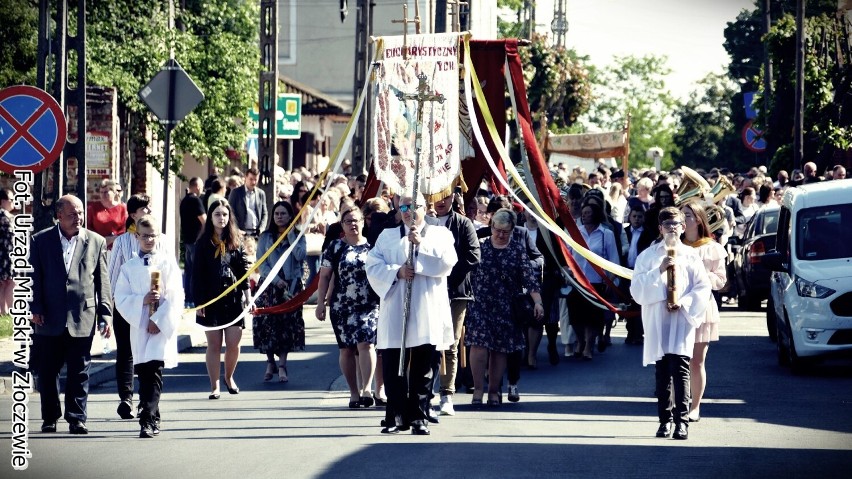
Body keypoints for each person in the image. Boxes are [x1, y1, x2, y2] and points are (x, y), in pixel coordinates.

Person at [365, 193, 457, 435]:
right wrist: (397, 272)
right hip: (396, 308)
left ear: (424, 207)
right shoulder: (387, 236)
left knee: (424, 365)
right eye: (403, 206)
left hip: (427, 307)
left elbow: (448, 262)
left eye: (413, 206)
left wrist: (420, 246)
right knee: (394, 364)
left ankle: (418, 416)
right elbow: (372, 265)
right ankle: (396, 416)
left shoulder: (440, 234)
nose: (408, 211)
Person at [30, 195, 112, 434]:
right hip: (48, 317)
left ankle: (77, 418)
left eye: (80, 213)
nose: (78, 218)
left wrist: (106, 314)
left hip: (82, 315)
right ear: (58, 215)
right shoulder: (40, 240)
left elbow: (102, 281)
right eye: (72, 214)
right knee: (48, 371)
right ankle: (50, 417)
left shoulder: (95, 241)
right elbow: (34, 279)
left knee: (80, 370)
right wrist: (35, 308)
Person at [630, 207, 711, 441]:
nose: (672, 228)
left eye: (676, 224)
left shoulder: (691, 255)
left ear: (683, 227)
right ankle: (664, 421)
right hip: (658, 319)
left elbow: (702, 286)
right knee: (663, 370)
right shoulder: (648, 256)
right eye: (668, 225)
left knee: (681, 369)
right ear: (660, 228)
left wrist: (684, 302)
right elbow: (637, 288)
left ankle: (682, 422)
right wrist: (660, 269)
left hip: (681, 318)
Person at [113, 215, 183, 438]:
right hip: (139, 325)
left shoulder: (166, 262)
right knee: (144, 373)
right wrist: (141, 301)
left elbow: (175, 295)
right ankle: (154, 416)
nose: (149, 240)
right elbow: (120, 297)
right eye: (145, 236)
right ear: (137, 237)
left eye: (153, 235)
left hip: (159, 326)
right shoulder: (129, 267)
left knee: (154, 371)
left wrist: (158, 320)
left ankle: (146, 421)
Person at [465, 209, 543, 407]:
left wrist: (538, 302)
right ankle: (478, 390)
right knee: (479, 347)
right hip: (480, 304)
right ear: (491, 227)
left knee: (500, 349)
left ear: (512, 230)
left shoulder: (517, 250)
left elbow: (529, 278)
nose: (500, 235)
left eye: (505, 231)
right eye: (497, 230)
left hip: (506, 306)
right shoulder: (480, 246)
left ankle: (493, 391)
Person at [316, 204, 380, 408]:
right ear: (342, 225)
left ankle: (367, 389)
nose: (353, 224)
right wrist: (320, 303)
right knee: (347, 349)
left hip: (369, 304)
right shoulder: (334, 247)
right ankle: (353, 392)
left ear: (363, 223)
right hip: (342, 305)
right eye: (348, 221)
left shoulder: (374, 248)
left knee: (367, 344)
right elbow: (324, 276)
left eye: (356, 220)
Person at [425, 191, 480, 416]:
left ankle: (447, 394)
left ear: (453, 200)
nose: (441, 202)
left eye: (446, 198)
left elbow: (473, 255)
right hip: (427, 290)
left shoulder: (463, 224)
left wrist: (447, 275)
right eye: (437, 197)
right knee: (426, 341)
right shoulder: (424, 223)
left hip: (456, 292)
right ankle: (426, 392)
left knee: (450, 342)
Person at [192, 200, 253, 399]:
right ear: (211, 217)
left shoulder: (236, 241)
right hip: (211, 299)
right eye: (217, 214)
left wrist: (248, 298)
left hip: (233, 300)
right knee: (214, 344)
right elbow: (197, 274)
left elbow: (244, 272)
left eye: (225, 214)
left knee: (234, 342)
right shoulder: (203, 244)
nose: (221, 218)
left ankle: (229, 376)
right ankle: (214, 385)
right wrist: (199, 302)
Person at [107, 194, 158, 420]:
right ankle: (126, 398)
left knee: (148, 353)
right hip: (126, 304)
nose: (148, 212)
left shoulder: (158, 239)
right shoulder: (122, 242)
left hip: (152, 307)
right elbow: (112, 275)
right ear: (133, 214)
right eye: (143, 209)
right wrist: (108, 308)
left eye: (150, 208)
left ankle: (146, 401)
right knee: (126, 352)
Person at [680, 202, 727, 423]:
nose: (683, 219)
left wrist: (701, 276)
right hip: (677, 306)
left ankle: (695, 406)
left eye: (687, 215)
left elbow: (720, 281)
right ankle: (678, 401)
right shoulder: (673, 245)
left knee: (697, 360)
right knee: (677, 359)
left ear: (698, 219)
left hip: (701, 307)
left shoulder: (711, 247)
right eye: (682, 215)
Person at [254, 201, 306, 383]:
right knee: (267, 326)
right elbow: (261, 262)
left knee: (286, 327)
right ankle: (270, 362)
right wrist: (276, 281)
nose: (279, 217)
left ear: (290, 216)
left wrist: (291, 235)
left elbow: (300, 256)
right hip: (270, 287)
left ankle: (282, 365)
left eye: (283, 213)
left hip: (291, 287)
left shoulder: (298, 235)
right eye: (276, 213)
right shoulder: (265, 237)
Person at [568, 200, 620, 359]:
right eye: (583, 213)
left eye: (588, 213)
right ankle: (580, 341)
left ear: (596, 215)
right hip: (577, 281)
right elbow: (568, 254)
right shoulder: (575, 232)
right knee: (575, 316)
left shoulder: (606, 234)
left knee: (593, 317)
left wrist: (609, 281)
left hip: (597, 282)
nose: (584, 216)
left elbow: (613, 260)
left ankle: (589, 347)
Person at [180, 177, 207, 307]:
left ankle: (188, 299)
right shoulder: (196, 200)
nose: (202, 190)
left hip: (187, 240)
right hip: (196, 241)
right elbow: (205, 221)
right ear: (196, 186)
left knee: (189, 271)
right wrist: (202, 237)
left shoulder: (184, 201)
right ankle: (194, 299)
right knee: (197, 271)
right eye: (201, 187)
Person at [228, 167, 268, 239]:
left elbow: (264, 213)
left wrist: (262, 228)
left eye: (255, 179)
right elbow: (230, 212)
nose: (253, 182)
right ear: (245, 177)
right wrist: (236, 229)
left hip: (256, 233)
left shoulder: (261, 193)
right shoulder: (236, 192)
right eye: (251, 179)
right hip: (241, 233)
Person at [86, 179, 127, 248]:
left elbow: (125, 228)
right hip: (97, 245)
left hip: (117, 245)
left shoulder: (122, 208)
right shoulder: (93, 208)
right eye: (101, 192)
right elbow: (88, 227)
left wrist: (112, 238)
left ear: (114, 192)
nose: (103, 194)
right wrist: (101, 239)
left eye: (106, 192)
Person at [0, 188, 14, 315]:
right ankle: (8, 311)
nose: (13, 202)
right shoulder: (4, 216)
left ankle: (4, 312)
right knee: (9, 282)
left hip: (5, 254)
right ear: (3, 201)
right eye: (11, 200)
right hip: (5, 254)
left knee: (4, 283)